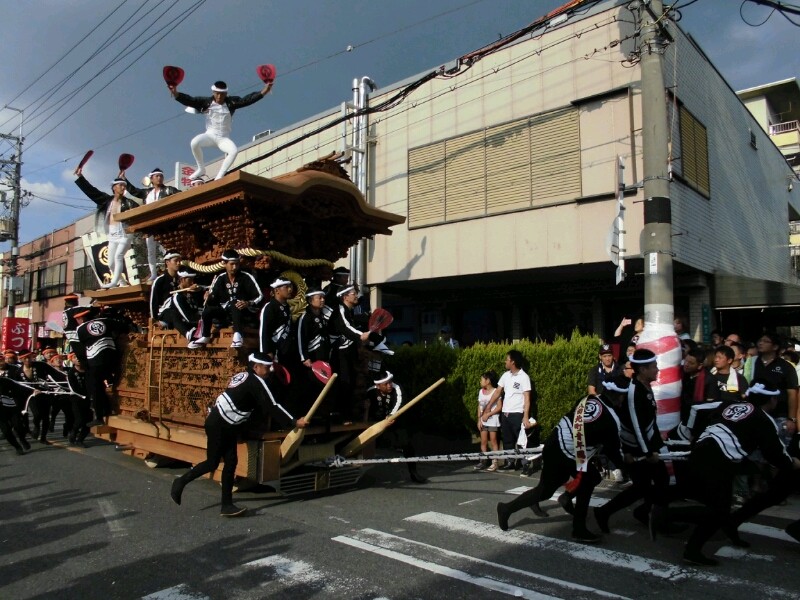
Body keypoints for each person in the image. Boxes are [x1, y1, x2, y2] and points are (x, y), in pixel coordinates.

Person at [671, 380, 800, 566]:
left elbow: (696, 408)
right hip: (717, 460)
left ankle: (694, 547)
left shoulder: (732, 403)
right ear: (771, 400)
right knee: (718, 511)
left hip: (704, 452)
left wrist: (691, 434)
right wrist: (792, 463)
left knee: (718, 506)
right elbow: (775, 453)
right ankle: (667, 516)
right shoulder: (764, 420)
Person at [169, 352, 307, 516]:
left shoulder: (244, 375)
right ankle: (180, 482)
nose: (270, 370)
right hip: (219, 424)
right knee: (212, 463)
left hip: (225, 424)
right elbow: (272, 405)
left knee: (231, 462)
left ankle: (226, 505)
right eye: (267, 367)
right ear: (256, 367)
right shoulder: (255, 381)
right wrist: (294, 421)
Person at [497, 384, 624, 543]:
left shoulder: (589, 399)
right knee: (554, 489)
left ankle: (565, 503)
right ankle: (578, 528)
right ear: (620, 398)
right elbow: (613, 451)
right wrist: (628, 466)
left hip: (560, 443)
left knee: (587, 479)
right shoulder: (610, 418)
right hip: (562, 451)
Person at [594, 348, 672, 539]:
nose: (657, 369)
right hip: (634, 447)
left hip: (646, 444)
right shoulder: (634, 391)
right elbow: (637, 425)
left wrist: (658, 443)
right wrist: (648, 453)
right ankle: (609, 512)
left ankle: (647, 514)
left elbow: (649, 421)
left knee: (658, 481)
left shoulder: (645, 387)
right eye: (654, 366)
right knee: (644, 486)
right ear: (643, 370)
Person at [170, 79, 273, 181]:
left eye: (222, 94)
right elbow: (190, 100)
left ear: (226, 94)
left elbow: (247, 100)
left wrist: (264, 91)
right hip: (210, 135)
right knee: (194, 142)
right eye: (217, 94)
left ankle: (219, 176)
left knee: (233, 151)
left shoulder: (232, 102)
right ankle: (201, 168)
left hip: (223, 138)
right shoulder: (206, 102)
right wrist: (176, 94)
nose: (219, 97)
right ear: (213, 92)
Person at [74, 165, 139, 288]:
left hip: (125, 234)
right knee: (110, 263)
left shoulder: (129, 203)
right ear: (114, 187)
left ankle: (114, 281)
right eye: (120, 185)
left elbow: (139, 214)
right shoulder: (107, 201)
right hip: (112, 235)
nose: (123, 188)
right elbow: (92, 191)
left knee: (118, 256)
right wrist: (80, 176)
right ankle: (122, 282)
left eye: (124, 186)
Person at [196, 249, 263, 349]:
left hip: (243, 312)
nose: (234, 267)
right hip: (226, 314)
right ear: (224, 263)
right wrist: (209, 297)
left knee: (235, 302)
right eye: (232, 264)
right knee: (208, 311)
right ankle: (205, 336)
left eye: (236, 264)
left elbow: (259, 296)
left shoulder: (246, 277)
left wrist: (248, 303)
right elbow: (214, 298)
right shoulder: (220, 278)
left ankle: (238, 335)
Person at [482, 349, 535, 471]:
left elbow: (527, 398)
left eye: (507, 359)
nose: (505, 361)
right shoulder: (505, 375)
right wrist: (488, 407)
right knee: (507, 440)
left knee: (521, 440)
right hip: (505, 414)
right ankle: (509, 462)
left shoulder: (524, 377)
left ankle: (525, 464)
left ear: (513, 362)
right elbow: (497, 392)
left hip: (518, 414)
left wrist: (525, 416)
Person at [124, 168, 180, 280]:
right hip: (150, 226)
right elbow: (134, 191)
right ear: (151, 179)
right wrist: (124, 179)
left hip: (163, 224)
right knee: (151, 250)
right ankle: (153, 274)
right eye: (156, 176)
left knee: (166, 248)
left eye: (161, 176)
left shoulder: (169, 190)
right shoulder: (147, 193)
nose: (159, 178)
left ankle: (170, 270)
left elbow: (180, 195)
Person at [159, 266, 204, 342]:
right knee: (173, 314)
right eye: (190, 279)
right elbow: (189, 318)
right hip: (166, 316)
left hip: (184, 317)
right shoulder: (178, 297)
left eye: (193, 279)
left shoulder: (191, 294)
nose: (192, 282)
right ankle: (188, 334)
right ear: (182, 280)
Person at [259, 277, 293, 361]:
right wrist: (266, 352)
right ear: (277, 290)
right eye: (286, 287)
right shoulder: (270, 307)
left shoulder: (287, 307)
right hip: (275, 350)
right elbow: (264, 331)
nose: (290, 289)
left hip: (287, 351)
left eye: (290, 287)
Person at [475, 370, 501, 472]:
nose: (480, 381)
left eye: (482, 379)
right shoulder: (480, 392)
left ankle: (495, 462)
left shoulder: (496, 392)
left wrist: (488, 414)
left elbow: (499, 407)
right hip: (483, 421)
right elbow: (479, 406)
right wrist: (479, 419)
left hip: (493, 420)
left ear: (488, 381)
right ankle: (483, 461)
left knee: (494, 441)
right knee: (483, 441)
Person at [65, 353, 92, 446]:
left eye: (80, 357)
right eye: (75, 357)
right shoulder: (71, 372)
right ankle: (73, 432)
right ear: (72, 360)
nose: (78, 359)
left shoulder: (88, 370)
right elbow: (73, 388)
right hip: (76, 399)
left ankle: (80, 440)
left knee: (89, 422)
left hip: (88, 399)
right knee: (79, 419)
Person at [150, 250, 183, 324]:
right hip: (166, 312)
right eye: (176, 261)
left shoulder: (181, 279)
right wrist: (154, 319)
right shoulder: (160, 280)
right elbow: (154, 301)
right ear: (167, 262)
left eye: (179, 261)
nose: (178, 263)